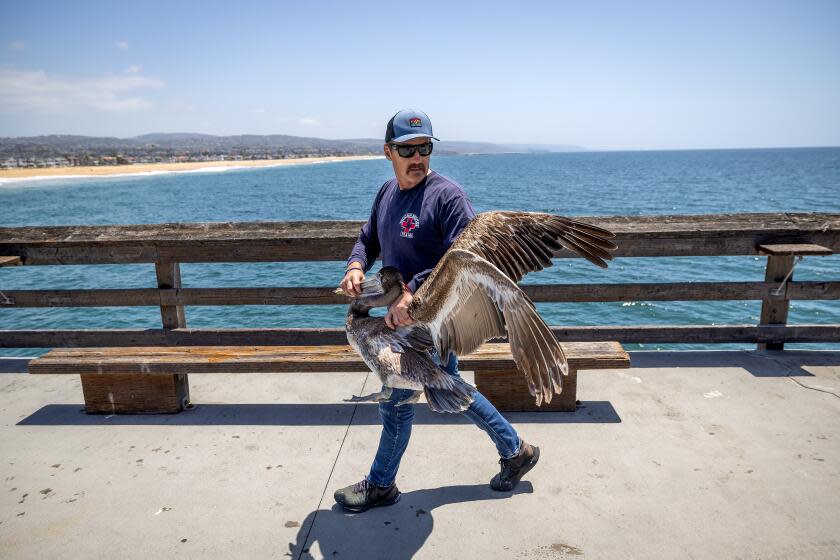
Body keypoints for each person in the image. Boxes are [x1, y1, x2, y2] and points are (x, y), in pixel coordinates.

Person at [333, 109, 539, 513]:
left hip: (434, 320)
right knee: (446, 388)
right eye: (407, 149)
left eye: (424, 147)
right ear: (388, 151)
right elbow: (368, 238)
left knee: (401, 398)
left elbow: (463, 257)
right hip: (399, 319)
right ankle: (515, 450)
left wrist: (412, 292)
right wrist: (356, 264)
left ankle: (381, 485)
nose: (418, 157)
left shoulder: (448, 197)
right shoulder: (386, 193)